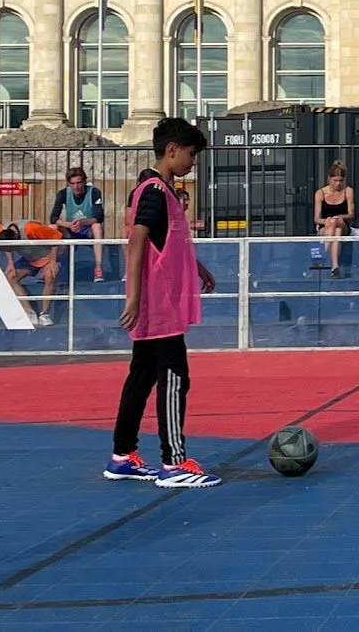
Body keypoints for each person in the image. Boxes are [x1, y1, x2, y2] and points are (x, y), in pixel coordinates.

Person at [103, 117, 221, 488]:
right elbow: (138, 240)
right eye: (190, 154)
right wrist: (135, 298)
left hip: (158, 301)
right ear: (171, 150)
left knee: (140, 378)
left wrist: (198, 268)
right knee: (174, 378)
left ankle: (122, 455)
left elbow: (166, 242)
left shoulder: (165, 193)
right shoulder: (154, 192)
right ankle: (174, 462)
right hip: (159, 304)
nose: (192, 162)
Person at [0, 220, 63, 325]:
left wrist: (53, 261)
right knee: (10, 277)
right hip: (30, 258)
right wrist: (11, 263)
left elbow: (57, 236)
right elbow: (6, 248)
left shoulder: (31, 229)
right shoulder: (1, 230)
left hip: (49, 255)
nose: (10, 249)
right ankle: (28, 311)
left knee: (50, 274)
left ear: (15, 238)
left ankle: (44, 314)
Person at [48, 167, 107, 282]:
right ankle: (49, 267)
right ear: (69, 184)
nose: (76, 186)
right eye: (73, 183)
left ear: (84, 181)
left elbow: (99, 217)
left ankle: (98, 268)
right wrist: (68, 225)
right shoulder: (63, 193)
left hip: (87, 228)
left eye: (79, 183)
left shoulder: (94, 192)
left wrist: (82, 223)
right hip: (70, 229)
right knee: (52, 228)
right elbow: (53, 217)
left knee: (97, 227)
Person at [314, 161, 357, 278]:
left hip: (343, 224)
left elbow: (351, 214)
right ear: (329, 179)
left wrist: (340, 217)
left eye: (341, 181)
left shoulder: (348, 191)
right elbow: (317, 218)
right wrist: (326, 221)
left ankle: (324, 256)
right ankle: (335, 266)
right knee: (335, 229)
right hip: (326, 227)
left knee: (336, 224)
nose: (338, 184)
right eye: (335, 181)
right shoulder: (320, 193)